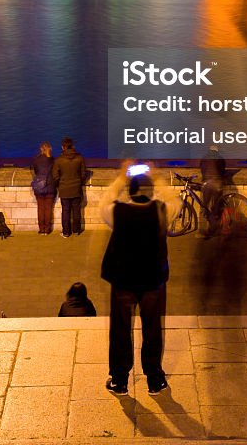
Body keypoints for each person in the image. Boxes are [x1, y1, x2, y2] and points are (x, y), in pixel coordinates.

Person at [100, 161, 179, 397]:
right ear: (151, 192)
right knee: (153, 328)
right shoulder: (162, 211)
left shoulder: (118, 213)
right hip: (153, 279)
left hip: (123, 279)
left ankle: (120, 380)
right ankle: (155, 379)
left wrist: (121, 178)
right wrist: (156, 178)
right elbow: (176, 201)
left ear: (131, 192)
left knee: (121, 329)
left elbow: (105, 201)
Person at [52, 137, 86, 237]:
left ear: (63, 147)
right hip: (76, 188)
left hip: (64, 189)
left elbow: (55, 176)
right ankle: (76, 230)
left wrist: (59, 185)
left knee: (65, 212)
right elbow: (83, 174)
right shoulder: (80, 158)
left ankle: (66, 232)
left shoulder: (59, 160)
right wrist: (79, 182)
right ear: (73, 146)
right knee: (77, 210)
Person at [200, 146, 227, 237]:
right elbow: (222, 171)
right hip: (217, 183)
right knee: (216, 207)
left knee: (205, 206)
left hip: (207, 183)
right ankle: (218, 227)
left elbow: (203, 170)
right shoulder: (220, 158)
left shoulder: (204, 158)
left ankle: (207, 229)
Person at [31, 141, 56, 234]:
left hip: (39, 187)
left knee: (40, 208)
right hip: (50, 187)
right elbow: (55, 173)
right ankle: (47, 229)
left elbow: (36, 171)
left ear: (41, 149)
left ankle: (41, 229)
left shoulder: (36, 160)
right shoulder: (53, 160)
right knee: (48, 208)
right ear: (50, 149)